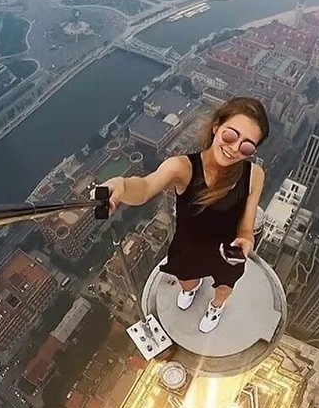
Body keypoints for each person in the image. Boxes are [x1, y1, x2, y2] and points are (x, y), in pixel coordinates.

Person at [101, 96, 268, 333]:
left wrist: (246, 242)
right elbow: (146, 187)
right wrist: (122, 185)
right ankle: (191, 288)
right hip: (190, 246)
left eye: (247, 145)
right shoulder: (183, 167)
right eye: (231, 135)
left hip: (228, 251)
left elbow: (246, 227)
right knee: (186, 280)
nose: (234, 148)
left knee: (225, 287)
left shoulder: (254, 175)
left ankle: (216, 307)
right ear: (216, 126)